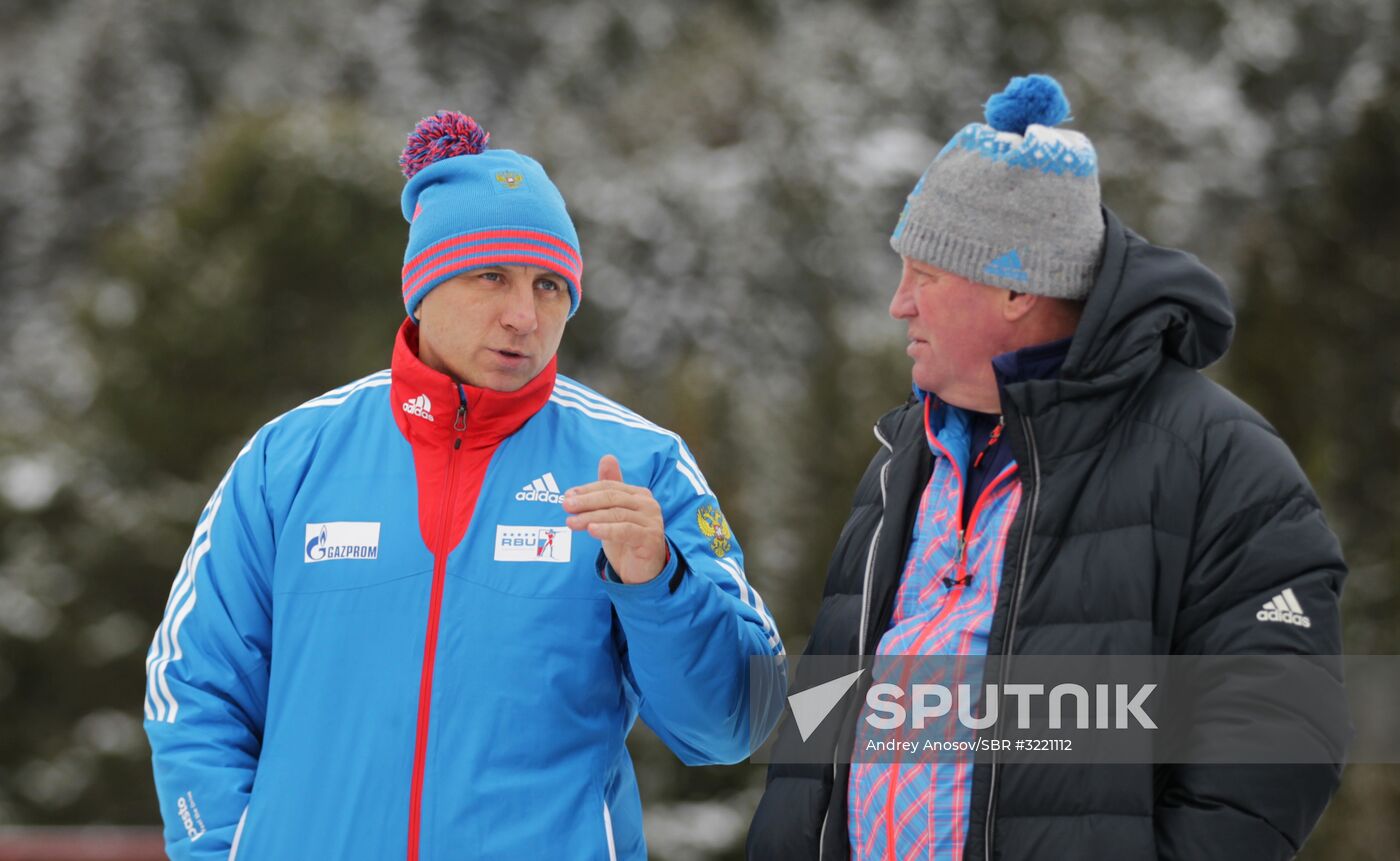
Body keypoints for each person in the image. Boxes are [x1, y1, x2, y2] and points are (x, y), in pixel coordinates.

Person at [143, 111, 786, 860]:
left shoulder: (640, 463)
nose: (524, 316)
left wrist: (660, 583)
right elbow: (193, 688)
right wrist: (224, 848)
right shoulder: (288, 458)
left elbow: (736, 725)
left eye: (550, 286)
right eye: (492, 276)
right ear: (423, 287)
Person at [748, 75, 1347, 860]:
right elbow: (825, 710)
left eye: (926, 275)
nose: (900, 303)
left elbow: (1280, 734)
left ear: (1015, 288)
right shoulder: (905, 459)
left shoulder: (1220, 460)